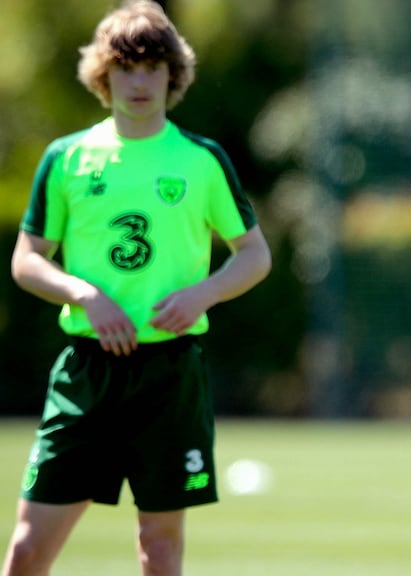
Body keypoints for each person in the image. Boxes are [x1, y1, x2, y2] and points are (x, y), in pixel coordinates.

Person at [2, 2, 271, 574]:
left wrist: (205, 293)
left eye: (153, 66)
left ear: (173, 74)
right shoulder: (67, 159)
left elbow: (254, 255)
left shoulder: (201, 161)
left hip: (169, 377)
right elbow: (27, 261)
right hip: (86, 375)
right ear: (104, 75)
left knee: (159, 547)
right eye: (126, 67)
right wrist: (84, 295)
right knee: (26, 549)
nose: (140, 80)